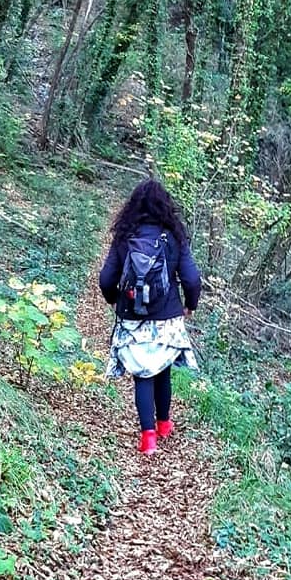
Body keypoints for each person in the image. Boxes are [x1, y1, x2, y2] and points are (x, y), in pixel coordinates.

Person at [99, 178, 201, 455]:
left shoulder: (125, 236)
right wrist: (190, 305)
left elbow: (106, 278)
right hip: (167, 316)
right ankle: (164, 424)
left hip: (132, 317)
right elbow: (191, 279)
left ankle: (148, 439)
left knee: (142, 374)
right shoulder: (174, 236)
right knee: (162, 368)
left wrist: (115, 301)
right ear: (165, 206)